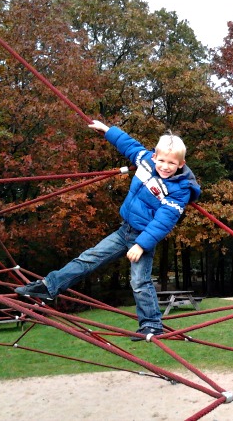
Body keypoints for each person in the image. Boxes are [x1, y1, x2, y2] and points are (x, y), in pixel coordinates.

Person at [15, 120, 201, 341]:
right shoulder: (145, 161)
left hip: (142, 239)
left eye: (172, 162)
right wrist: (107, 130)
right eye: (162, 160)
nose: (165, 166)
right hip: (124, 230)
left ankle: (151, 325)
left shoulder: (180, 189)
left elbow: (164, 220)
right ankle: (49, 286)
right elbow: (129, 145)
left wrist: (142, 245)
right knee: (88, 258)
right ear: (154, 157)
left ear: (181, 163)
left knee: (139, 281)